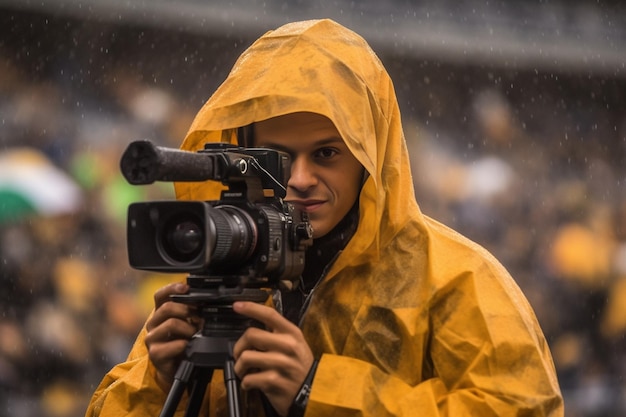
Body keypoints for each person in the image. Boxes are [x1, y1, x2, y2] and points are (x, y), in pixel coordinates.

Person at [86, 19, 564, 417]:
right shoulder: (221, 268)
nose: (300, 178)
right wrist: (157, 378)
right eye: (275, 155)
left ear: (368, 159)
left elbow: (523, 408)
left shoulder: (458, 278)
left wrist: (317, 390)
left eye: (327, 153)